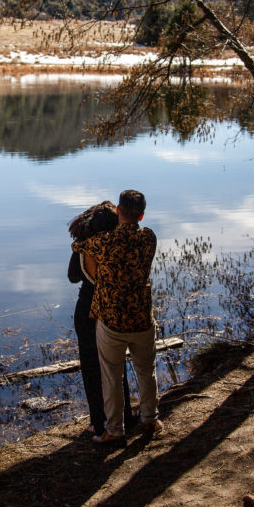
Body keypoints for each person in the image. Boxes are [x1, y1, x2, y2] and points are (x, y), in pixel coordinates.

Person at [72, 189, 162, 444]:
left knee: (111, 375)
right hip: (142, 315)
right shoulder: (150, 237)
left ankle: (114, 430)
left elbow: (77, 244)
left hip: (112, 319)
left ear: (119, 212)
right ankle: (150, 420)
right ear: (142, 216)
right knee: (147, 370)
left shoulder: (104, 243)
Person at [68, 201, 138, 437]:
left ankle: (99, 423)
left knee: (91, 368)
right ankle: (124, 416)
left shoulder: (83, 245)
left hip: (87, 309)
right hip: (113, 307)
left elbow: (72, 277)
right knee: (116, 365)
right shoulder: (119, 244)